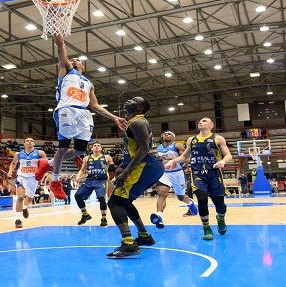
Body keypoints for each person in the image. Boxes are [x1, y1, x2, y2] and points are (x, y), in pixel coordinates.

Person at [34, 34, 127, 200]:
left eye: (78, 60)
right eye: (73, 59)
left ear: (83, 65)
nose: (75, 61)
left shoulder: (89, 83)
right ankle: (55, 181)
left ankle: (46, 164)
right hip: (66, 109)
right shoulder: (65, 70)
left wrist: (114, 118)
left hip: (84, 113)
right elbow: (61, 49)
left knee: (79, 150)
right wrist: (59, 40)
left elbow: (95, 105)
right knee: (63, 148)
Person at [106, 97, 164, 258]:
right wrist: (122, 167)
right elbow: (133, 149)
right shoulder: (133, 122)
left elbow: (144, 149)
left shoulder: (137, 123)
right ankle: (144, 236)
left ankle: (129, 244)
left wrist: (126, 172)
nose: (127, 100)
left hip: (146, 165)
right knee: (125, 201)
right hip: (148, 165)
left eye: (133, 100)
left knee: (115, 202)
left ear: (139, 107)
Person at [165, 117, 233, 241]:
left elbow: (228, 154)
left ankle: (221, 218)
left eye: (204, 121)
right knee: (201, 199)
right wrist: (173, 160)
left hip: (213, 173)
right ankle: (206, 227)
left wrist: (222, 161)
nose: (201, 122)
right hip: (197, 174)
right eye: (200, 121)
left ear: (211, 125)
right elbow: (185, 156)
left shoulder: (218, 138)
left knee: (219, 203)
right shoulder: (192, 140)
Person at [150, 131, 198, 229]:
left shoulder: (177, 146)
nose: (167, 135)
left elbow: (185, 158)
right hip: (164, 173)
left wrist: (170, 159)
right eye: (165, 134)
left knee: (181, 197)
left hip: (177, 173)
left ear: (174, 137)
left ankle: (190, 203)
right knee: (162, 193)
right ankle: (159, 216)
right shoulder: (157, 148)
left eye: (169, 134)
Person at [7, 138, 48, 229]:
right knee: (21, 197)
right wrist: (10, 171)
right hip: (21, 177)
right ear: (24, 144)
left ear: (33, 144)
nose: (29, 141)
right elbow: (13, 163)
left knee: (29, 200)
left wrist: (41, 173)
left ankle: (25, 208)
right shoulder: (18, 154)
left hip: (33, 178)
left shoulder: (40, 153)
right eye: (27, 141)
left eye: (31, 140)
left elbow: (45, 165)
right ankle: (18, 220)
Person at [73, 142, 115, 227]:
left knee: (101, 197)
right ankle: (85, 215)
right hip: (89, 180)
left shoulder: (107, 157)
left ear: (101, 148)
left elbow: (114, 168)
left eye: (98, 146)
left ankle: (104, 218)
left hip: (101, 180)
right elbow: (82, 169)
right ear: (92, 149)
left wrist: (115, 176)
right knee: (77, 195)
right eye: (94, 146)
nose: (96, 147)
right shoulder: (86, 158)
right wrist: (78, 176)